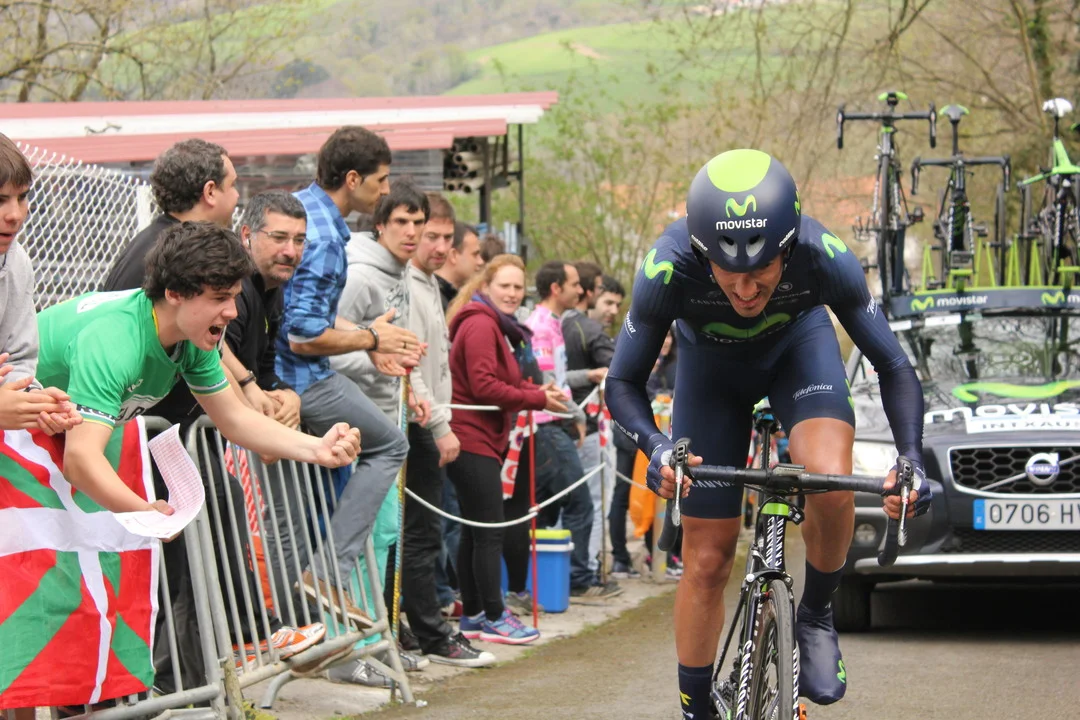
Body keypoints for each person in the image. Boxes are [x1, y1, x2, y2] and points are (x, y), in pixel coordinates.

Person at [605, 149, 930, 718]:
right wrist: (657, 450)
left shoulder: (825, 256)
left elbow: (894, 366)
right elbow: (622, 382)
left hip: (798, 355)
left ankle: (816, 615)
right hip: (710, 376)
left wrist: (910, 459)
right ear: (702, 253)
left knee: (828, 477)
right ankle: (696, 707)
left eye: (763, 270)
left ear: (789, 247)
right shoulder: (665, 268)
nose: (747, 289)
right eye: (729, 272)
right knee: (708, 559)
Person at [276, 126, 418, 624]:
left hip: (282, 376)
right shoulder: (325, 239)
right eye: (381, 181)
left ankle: (304, 624)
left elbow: (307, 316)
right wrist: (371, 339)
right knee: (392, 445)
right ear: (353, 179)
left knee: (294, 516)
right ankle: (328, 574)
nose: (385, 191)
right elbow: (303, 336)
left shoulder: (304, 211)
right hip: (300, 378)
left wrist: (364, 334)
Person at [445, 254, 565, 645]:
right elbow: (483, 386)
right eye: (505, 286)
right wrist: (537, 398)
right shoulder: (481, 323)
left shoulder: (492, 323)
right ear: (485, 287)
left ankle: (475, 615)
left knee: (475, 530)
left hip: (479, 436)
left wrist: (535, 391)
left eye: (517, 287)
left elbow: (496, 382)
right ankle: (495, 616)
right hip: (470, 436)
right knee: (489, 530)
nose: (512, 293)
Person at [399, 191, 496, 666]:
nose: (438, 246)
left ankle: (418, 629)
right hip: (418, 421)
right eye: (430, 236)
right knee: (419, 534)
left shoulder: (430, 285)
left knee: (422, 533)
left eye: (445, 238)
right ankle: (430, 633)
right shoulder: (406, 284)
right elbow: (409, 365)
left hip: (430, 417)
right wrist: (439, 424)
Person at [526, 261, 620, 602]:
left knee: (549, 508)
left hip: (557, 423)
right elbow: (548, 383)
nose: (581, 291)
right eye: (575, 284)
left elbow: (562, 378)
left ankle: (544, 581)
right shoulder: (540, 326)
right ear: (556, 288)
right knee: (579, 504)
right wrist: (577, 415)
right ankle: (579, 580)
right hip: (546, 425)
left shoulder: (554, 322)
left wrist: (587, 379)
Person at [561, 261, 616, 580]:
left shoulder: (554, 323)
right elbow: (620, 374)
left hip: (557, 425)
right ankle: (585, 569)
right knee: (591, 501)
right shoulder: (588, 330)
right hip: (586, 427)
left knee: (564, 504)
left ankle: (569, 569)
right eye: (597, 288)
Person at [435, 221, 485, 311]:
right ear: (454, 255)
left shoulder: (451, 299)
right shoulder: (435, 302)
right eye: (475, 254)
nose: (480, 262)